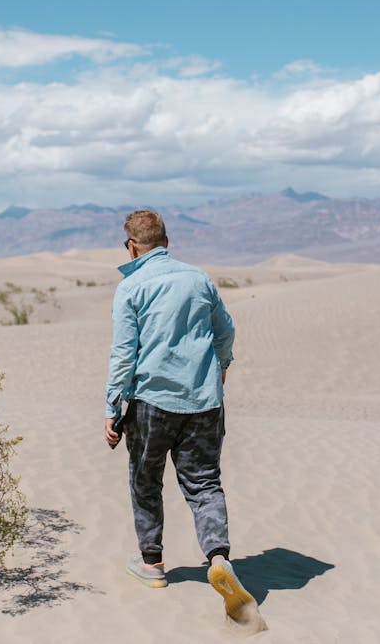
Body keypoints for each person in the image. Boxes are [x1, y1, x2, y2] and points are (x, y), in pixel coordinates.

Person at [104, 209, 257, 622]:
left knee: (145, 479)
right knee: (205, 483)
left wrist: (111, 407)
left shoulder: (132, 286)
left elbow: (124, 353)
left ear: (132, 246)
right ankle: (219, 556)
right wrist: (222, 364)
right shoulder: (198, 278)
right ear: (167, 242)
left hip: (153, 403)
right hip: (204, 401)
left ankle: (152, 564)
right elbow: (225, 329)